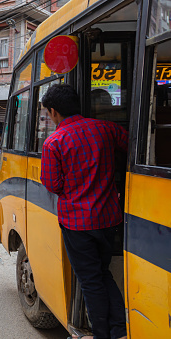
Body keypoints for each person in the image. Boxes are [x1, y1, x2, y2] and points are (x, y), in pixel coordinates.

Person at [39, 84, 128, 339]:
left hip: (77, 223)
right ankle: (119, 329)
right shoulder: (106, 129)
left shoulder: (54, 142)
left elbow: (53, 185)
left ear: (54, 111)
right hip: (108, 218)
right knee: (101, 272)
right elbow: (129, 144)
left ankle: (102, 334)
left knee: (90, 280)